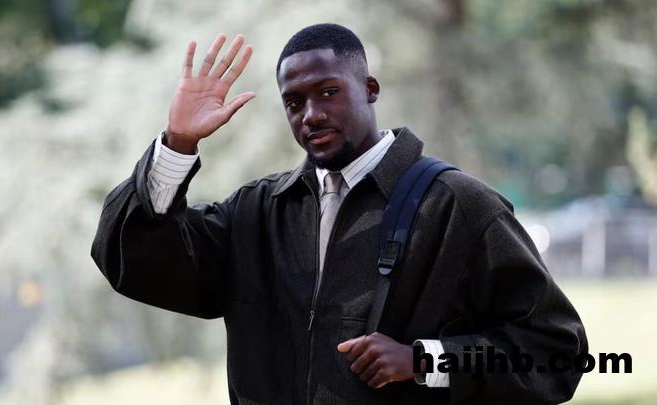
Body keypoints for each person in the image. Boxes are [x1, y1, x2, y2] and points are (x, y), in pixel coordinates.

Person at [91, 23, 588, 404]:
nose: (311, 115)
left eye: (328, 92)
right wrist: (178, 143)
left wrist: (425, 360)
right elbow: (133, 258)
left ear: (369, 88)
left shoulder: (459, 206)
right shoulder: (256, 213)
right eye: (294, 102)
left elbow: (556, 352)